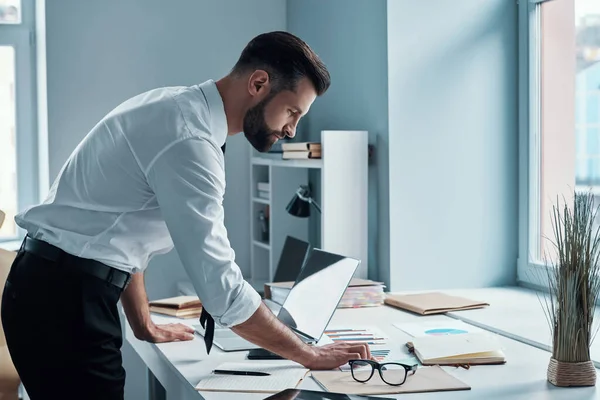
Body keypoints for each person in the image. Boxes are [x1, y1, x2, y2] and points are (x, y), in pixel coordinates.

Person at [0, 31, 371, 399]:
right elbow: (220, 289)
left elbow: (124, 231)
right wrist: (307, 353)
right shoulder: (190, 139)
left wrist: (143, 323)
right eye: (292, 111)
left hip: (55, 288)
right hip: (63, 301)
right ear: (259, 83)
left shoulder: (177, 107)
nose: (291, 130)